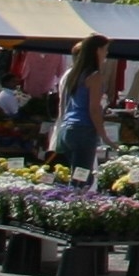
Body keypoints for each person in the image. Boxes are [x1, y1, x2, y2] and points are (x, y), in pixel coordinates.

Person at [52, 33, 113, 172]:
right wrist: (103, 135)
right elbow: (94, 109)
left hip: (68, 129)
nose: (106, 53)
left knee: (77, 175)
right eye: (105, 49)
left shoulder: (74, 73)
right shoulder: (94, 76)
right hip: (83, 129)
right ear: (98, 50)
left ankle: (69, 193)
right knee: (82, 177)